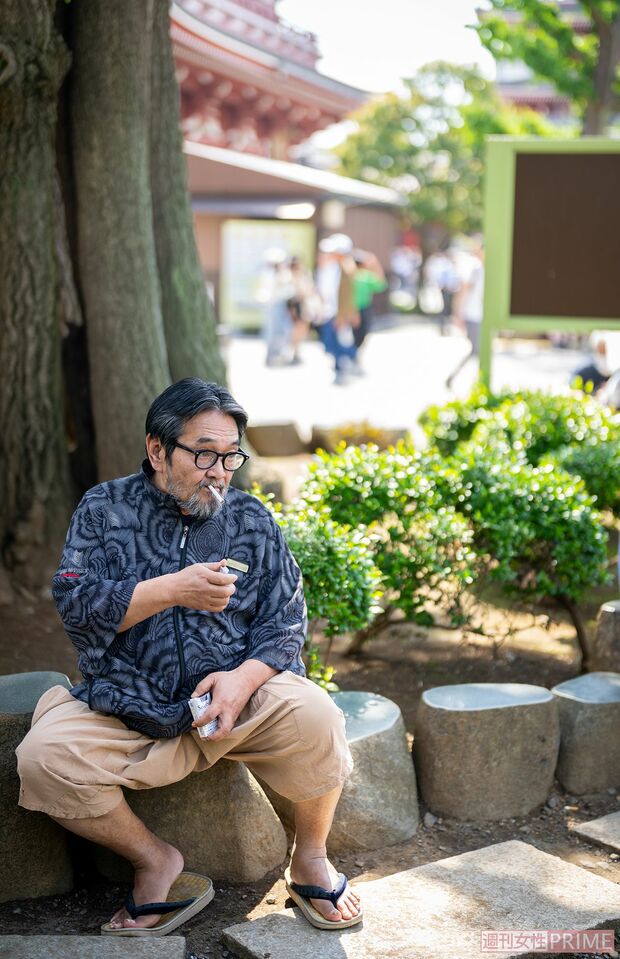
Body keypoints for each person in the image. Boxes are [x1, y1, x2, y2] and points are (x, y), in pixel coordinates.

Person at [16, 379, 362, 937]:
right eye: (203, 453)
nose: (219, 470)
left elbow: (287, 617)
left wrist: (243, 680)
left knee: (319, 716)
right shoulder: (104, 509)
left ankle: (311, 857)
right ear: (158, 450)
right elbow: (75, 604)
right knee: (43, 759)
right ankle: (156, 861)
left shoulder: (249, 519)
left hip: (235, 702)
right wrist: (171, 589)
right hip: (126, 705)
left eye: (230, 456)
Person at [315, 234, 360, 385]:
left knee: (341, 342)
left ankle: (343, 368)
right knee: (330, 342)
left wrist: (345, 314)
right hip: (327, 312)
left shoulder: (347, 269)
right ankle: (343, 365)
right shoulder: (328, 268)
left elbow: (347, 295)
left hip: (338, 313)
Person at [445, 238, 485, 390]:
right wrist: (457, 314)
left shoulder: (487, 270)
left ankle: (479, 381)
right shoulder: (475, 270)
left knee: (479, 350)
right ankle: (472, 381)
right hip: (473, 315)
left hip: (482, 316)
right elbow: (462, 291)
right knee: (476, 350)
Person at [352, 249, 388, 351]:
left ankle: (354, 351)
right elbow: (382, 284)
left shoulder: (352, 276)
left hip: (358, 308)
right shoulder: (364, 276)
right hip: (361, 308)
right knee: (361, 332)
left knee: (356, 333)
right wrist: (375, 264)